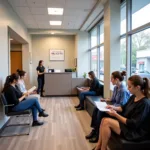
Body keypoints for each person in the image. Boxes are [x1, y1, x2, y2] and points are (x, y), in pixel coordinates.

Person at [93, 75, 150, 150]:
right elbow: (123, 108)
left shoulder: (145, 103)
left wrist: (116, 115)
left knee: (106, 121)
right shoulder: (133, 97)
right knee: (103, 119)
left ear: (138, 87)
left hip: (136, 132)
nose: (127, 88)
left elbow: (133, 123)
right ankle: (99, 146)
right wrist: (113, 107)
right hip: (128, 125)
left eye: (129, 87)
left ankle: (102, 148)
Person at [86, 71, 130, 143]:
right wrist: (105, 99)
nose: (110, 80)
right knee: (96, 108)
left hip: (118, 111)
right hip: (113, 107)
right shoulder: (116, 88)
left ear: (117, 79)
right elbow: (112, 99)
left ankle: (97, 134)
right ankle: (94, 130)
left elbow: (122, 107)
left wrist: (111, 106)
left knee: (100, 112)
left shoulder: (123, 90)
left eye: (111, 79)